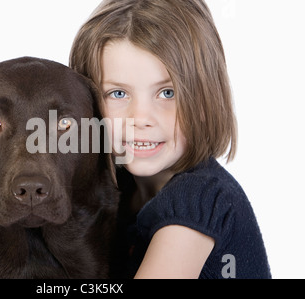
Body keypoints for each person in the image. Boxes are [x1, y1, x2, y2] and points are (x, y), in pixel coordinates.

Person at [70, 0, 271, 279]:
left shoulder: (199, 199)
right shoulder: (119, 188)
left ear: (204, 100)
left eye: (167, 93)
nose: (140, 118)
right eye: (118, 94)